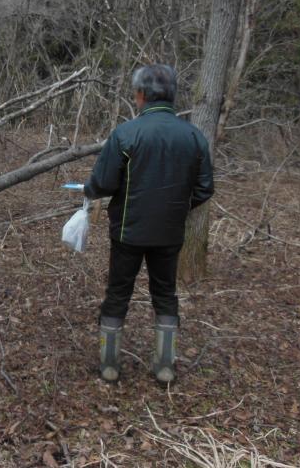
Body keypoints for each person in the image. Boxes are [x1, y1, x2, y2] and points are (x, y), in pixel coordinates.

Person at [83, 64, 214, 385]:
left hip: (128, 231)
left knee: (118, 293)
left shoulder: (126, 133)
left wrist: (90, 192)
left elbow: (102, 182)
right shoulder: (194, 136)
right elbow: (204, 189)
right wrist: (177, 208)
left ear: (141, 95)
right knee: (165, 293)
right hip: (170, 232)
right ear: (171, 96)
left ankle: (109, 365)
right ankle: (165, 366)